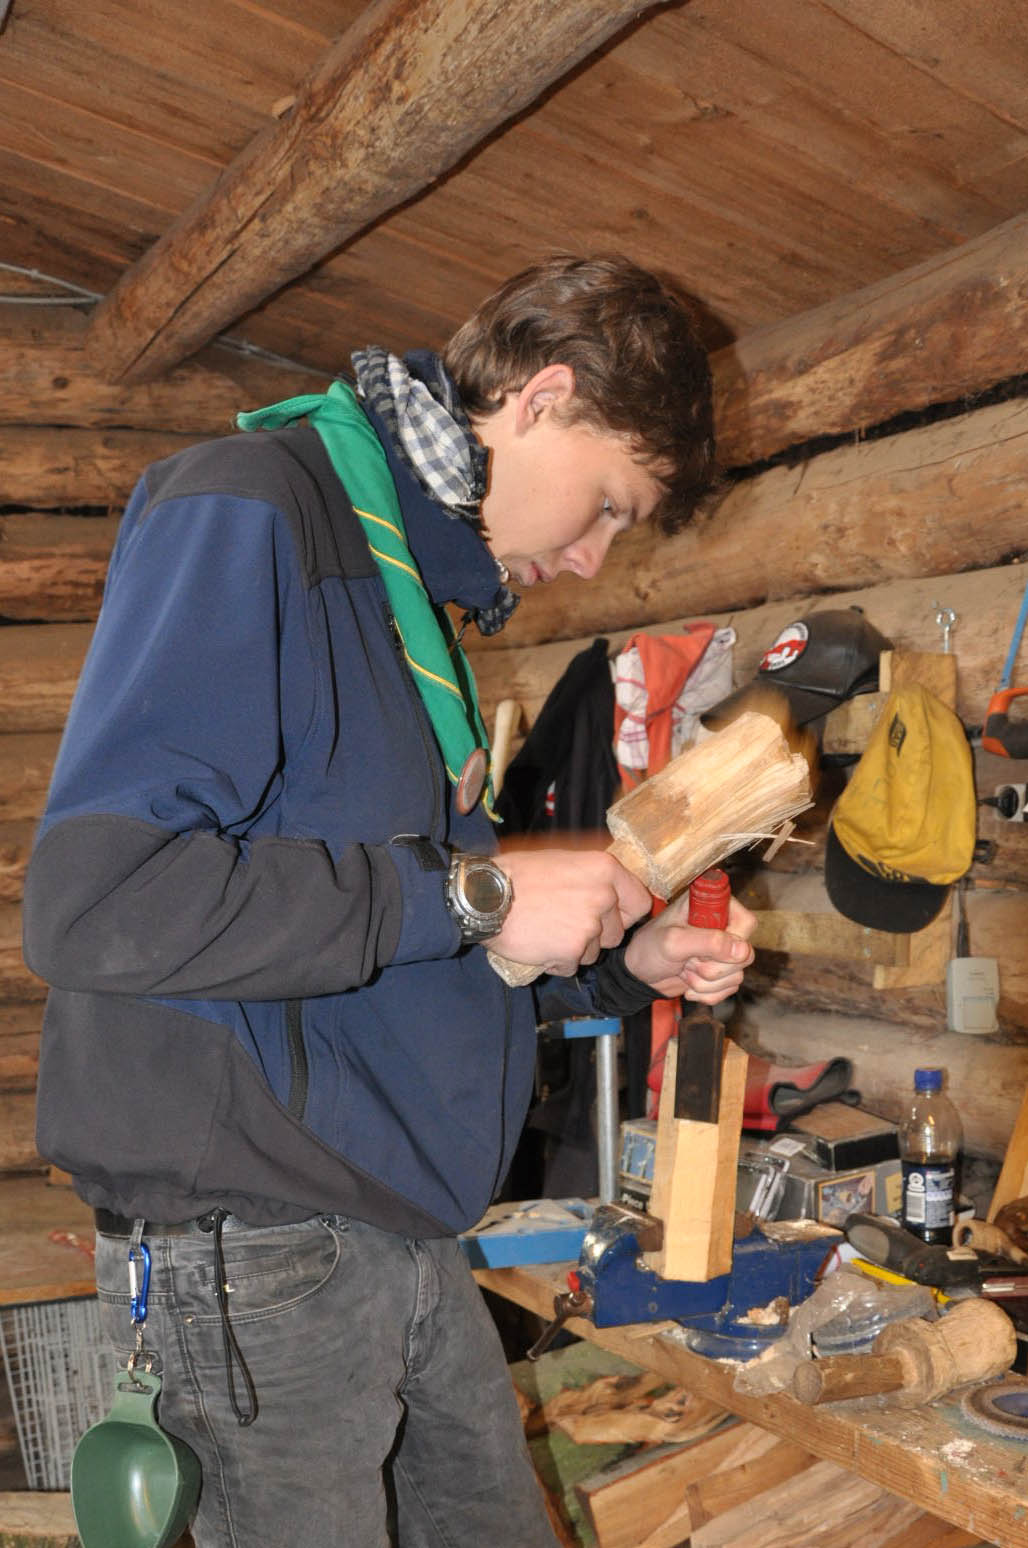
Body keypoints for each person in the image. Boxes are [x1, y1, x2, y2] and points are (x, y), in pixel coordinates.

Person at [23, 254, 756, 1548]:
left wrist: (615, 963)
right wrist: (481, 893)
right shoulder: (251, 504)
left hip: (395, 1225)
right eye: (605, 505)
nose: (592, 557)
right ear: (540, 397)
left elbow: (395, 944)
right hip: (257, 1246)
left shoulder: (403, 596)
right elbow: (100, 905)